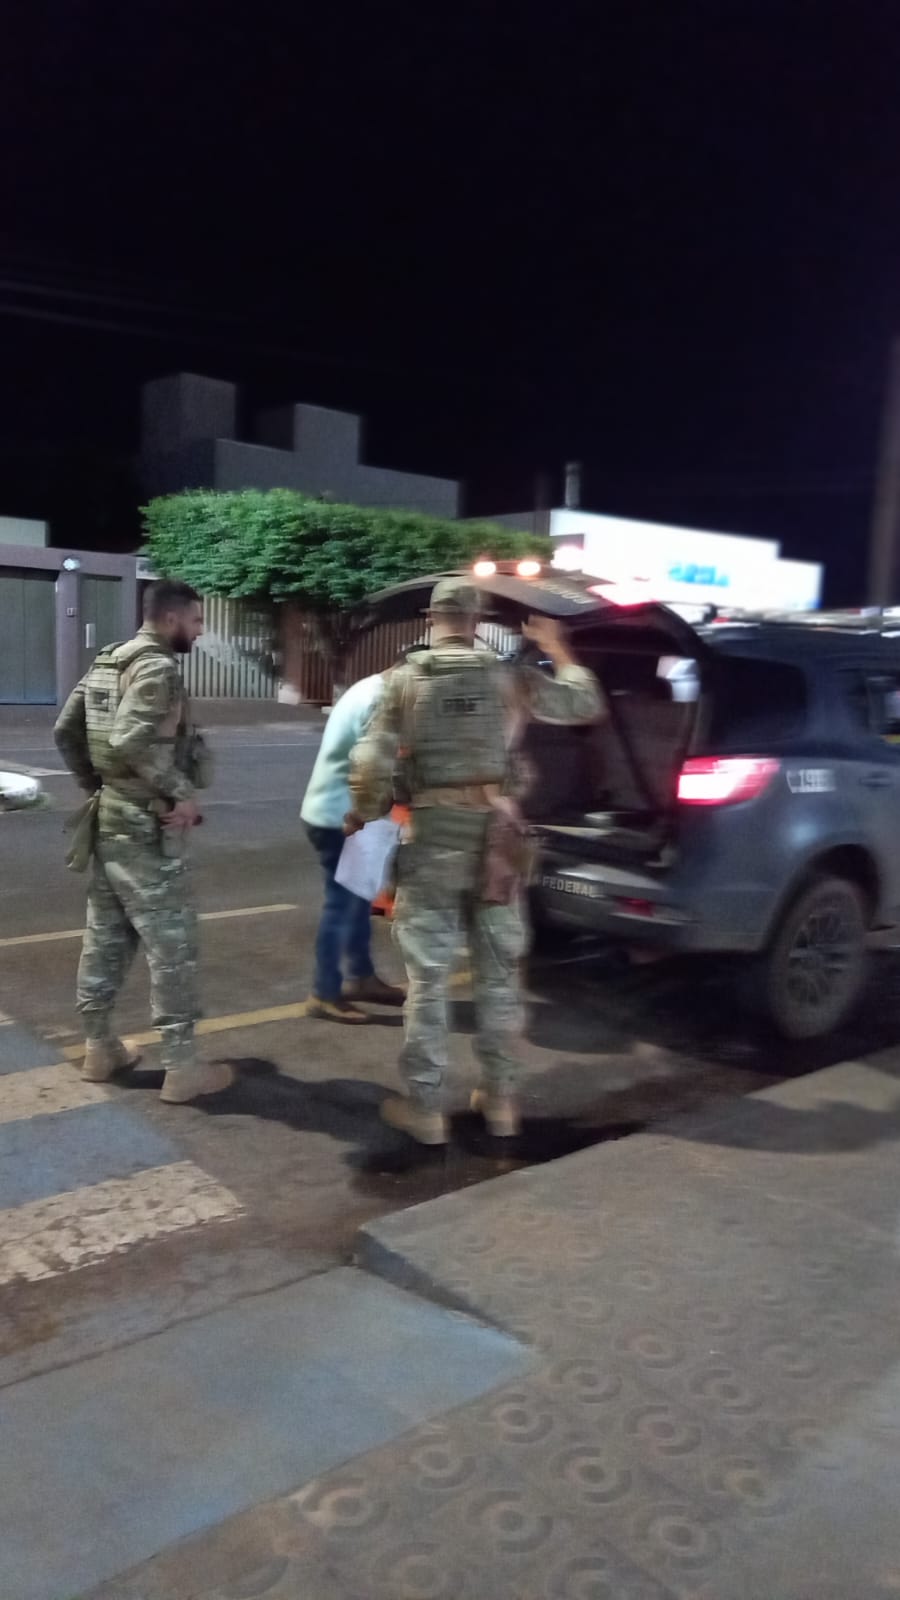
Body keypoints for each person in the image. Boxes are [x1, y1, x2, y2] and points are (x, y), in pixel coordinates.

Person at [349, 577, 606, 1144]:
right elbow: (584, 702)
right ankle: (501, 1102)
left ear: (431, 618)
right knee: (498, 976)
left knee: (428, 981)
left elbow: (369, 764)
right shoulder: (511, 677)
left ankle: (426, 1109)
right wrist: (557, 647)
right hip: (498, 844)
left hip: (432, 841)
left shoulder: (402, 680)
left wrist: (365, 813)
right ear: (477, 620)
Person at [53, 579, 233, 1104]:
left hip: (109, 816)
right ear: (171, 619)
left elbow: (66, 731)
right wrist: (181, 793)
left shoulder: (109, 661)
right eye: (196, 621)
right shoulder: (156, 668)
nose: (199, 630)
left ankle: (100, 1049)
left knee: (106, 935)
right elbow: (128, 740)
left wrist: (96, 785)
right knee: (172, 945)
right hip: (146, 826)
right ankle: (182, 1068)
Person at [301, 670, 406, 1021]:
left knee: (358, 899)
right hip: (343, 817)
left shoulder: (370, 687)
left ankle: (361, 977)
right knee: (342, 904)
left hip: (340, 811)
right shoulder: (381, 699)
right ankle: (324, 993)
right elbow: (371, 765)